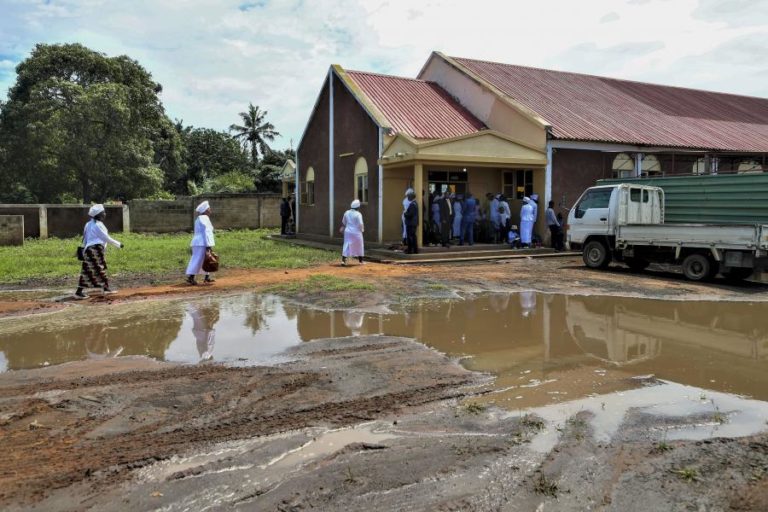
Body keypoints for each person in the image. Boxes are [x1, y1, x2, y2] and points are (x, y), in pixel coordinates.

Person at [74, 204, 123, 299]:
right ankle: (103, 289)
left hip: (89, 250)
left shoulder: (88, 224)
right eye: (103, 212)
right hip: (95, 250)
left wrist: (83, 248)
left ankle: (103, 288)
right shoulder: (98, 225)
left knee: (89, 270)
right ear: (99, 215)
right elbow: (106, 238)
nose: (105, 214)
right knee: (99, 268)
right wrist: (118, 244)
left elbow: (85, 238)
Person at [186, 200, 216, 285]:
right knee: (198, 259)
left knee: (206, 259)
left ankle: (207, 277)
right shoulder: (204, 218)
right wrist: (208, 245)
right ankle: (191, 277)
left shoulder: (200, 218)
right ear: (206, 210)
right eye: (209, 208)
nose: (210, 210)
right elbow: (206, 232)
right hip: (202, 242)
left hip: (199, 242)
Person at [341, 199, 364, 265]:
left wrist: (342, 227)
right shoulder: (358, 214)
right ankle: (361, 261)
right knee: (359, 245)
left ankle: (343, 260)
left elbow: (344, 222)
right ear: (358, 207)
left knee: (346, 245)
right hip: (356, 232)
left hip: (348, 232)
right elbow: (360, 223)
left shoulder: (346, 212)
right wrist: (362, 229)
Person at [403, 190, 419, 254]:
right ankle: (415, 250)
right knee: (413, 237)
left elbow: (410, 215)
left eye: (408, 196)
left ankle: (410, 250)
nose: (408, 198)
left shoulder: (412, 204)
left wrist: (405, 213)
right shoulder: (415, 203)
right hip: (413, 223)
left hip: (410, 223)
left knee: (410, 237)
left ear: (411, 197)